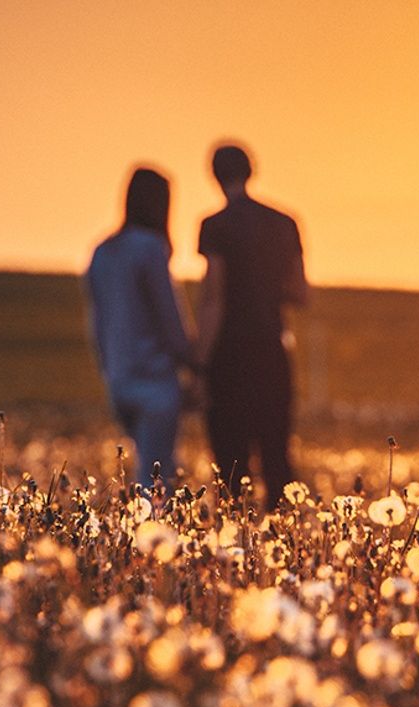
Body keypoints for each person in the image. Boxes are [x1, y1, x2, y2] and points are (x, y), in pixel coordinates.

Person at [196, 143, 308, 508]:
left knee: (230, 461)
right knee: (276, 453)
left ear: (214, 174)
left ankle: (235, 544)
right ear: (251, 170)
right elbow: (301, 293)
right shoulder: (285, 222)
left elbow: (213, 297)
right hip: (273, 350)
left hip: (229, 356)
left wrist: (200, 360)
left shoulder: (214, 226)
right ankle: (284, 541)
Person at [86, 167, 193, 488]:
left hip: (118, 379)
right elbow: (168, 315)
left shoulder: (102, 252)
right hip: (155, 380)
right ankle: (155, 537)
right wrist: (192, 359)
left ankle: (142, 533)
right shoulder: (149, 248)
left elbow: (97, 321)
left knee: (144, 468)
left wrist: (108, 367)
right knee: (158, 477)